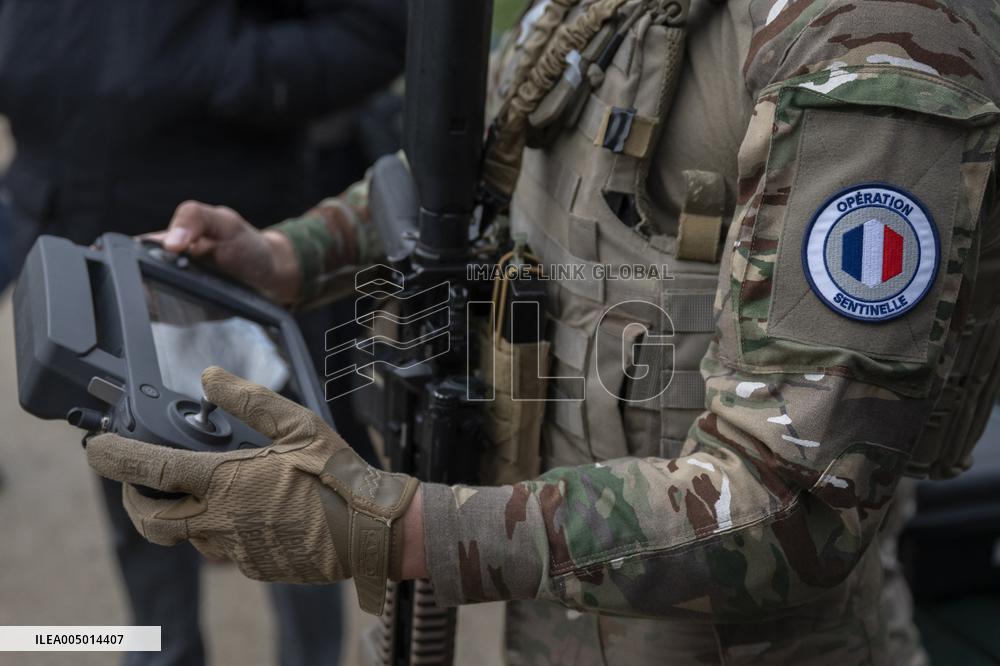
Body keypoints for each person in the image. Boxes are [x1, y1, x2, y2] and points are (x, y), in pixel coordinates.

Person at [86, 1, 1000, 663]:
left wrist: (393, 530)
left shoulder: (876, 50)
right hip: (559, 621)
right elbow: (478, 153)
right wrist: (289, 255)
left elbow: (794, 503)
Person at [0, 1, 407, 664]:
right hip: (84, 236)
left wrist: (217, 68)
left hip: (226, 256)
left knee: (291, 497)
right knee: (137, 491)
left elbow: (374, 35)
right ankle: (162, 652)